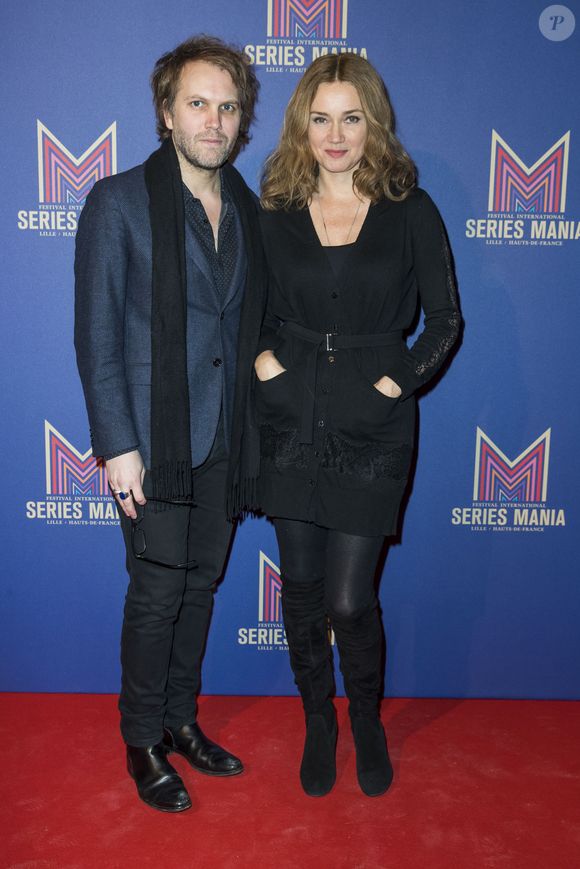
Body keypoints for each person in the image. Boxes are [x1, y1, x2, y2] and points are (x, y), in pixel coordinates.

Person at [255, 53, 461, 798]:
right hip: (290, 417)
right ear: (300, 124)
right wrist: (263, 365)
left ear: (373, 122)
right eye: (320, 118)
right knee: (302, 589)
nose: (335, 135)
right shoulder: (273, 207)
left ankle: (366, 717)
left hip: (373, 424)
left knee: (350, 598)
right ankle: (319, 718)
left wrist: (393, 382)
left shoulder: (412, 209)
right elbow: (244, 307)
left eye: (351, 117)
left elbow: (444, 322)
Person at [74, 35, 265, 812]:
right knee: (157, 593)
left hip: (226, 436)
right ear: (166, 112)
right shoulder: (117, 202)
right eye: (198, 103)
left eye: (227, 106)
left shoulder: (251, 209)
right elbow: (97, 336)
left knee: (203, 587)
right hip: (154, 442)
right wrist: (117, 445)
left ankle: (182, 719)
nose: (214, 120)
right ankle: (142, 738)